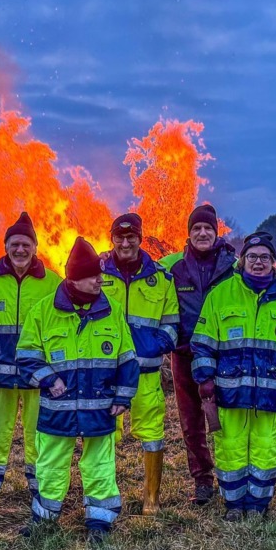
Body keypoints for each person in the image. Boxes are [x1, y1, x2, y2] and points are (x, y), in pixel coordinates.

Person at [16, 237, 138, 542]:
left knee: (100, 465)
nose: (99, 280)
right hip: (57, 410)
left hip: (100, 408)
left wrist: (123, 396)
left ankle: (100, 522)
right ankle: (44, 518)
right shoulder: (42, 311)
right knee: (50, 465)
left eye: (99, 274)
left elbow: (127, 358)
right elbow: (26, 356)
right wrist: (49, 379)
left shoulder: (112, 310)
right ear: (73, 278)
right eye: (92, 276)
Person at [0, 212, 63, 511]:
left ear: (35, 247)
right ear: (6, 246)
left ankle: (40, 488)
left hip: (38, 377)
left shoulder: (53, 283)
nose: (20, 249)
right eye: (14, 244)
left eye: (26, 244)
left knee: (39, 435)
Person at [190, 232, 276, 519]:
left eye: (265, 257)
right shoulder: (220, 295)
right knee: (230, 447)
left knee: (264, 448)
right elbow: (202, 342)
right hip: (229, 390)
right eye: (252, 257)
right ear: (242, 260)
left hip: (268, 392)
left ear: (274, 263)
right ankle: (233, 504)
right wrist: (205, 380)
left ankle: (258, 504)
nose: (258, 262)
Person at [100, 213, 180, 514]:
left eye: (131, 237)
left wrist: (155, 346)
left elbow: (172, 323)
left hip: (146, 372)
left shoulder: (162, 279)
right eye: (119, 237)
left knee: (153, 433)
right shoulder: (97, 273)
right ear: (111, 238)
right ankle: (105, 495)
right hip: (107, 373)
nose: (125, 243)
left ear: (140, 238)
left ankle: (151, 499)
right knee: (105, 433)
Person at [161, 204, 237, 506]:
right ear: (189, 233)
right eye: (196, 228)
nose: (202, 233)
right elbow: (139, 269)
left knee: (227, 418)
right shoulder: (174, 268)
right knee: (191, 422)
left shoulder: (233, 266)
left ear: (216, 232)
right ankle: (202, 479)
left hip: (225, 355)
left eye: (208, 228)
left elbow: (262, 275)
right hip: (185, 354)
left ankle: (232, 475)